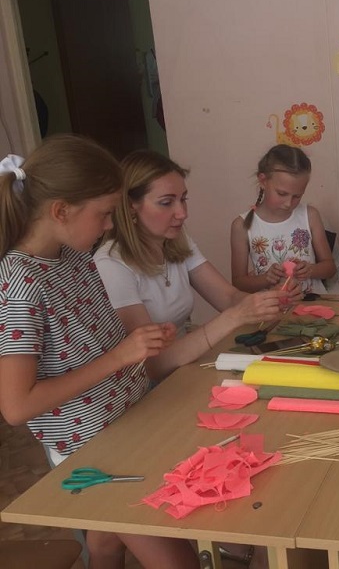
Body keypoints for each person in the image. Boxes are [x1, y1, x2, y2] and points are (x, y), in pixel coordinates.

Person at [0, 135, 199, 569]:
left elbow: (93, 340)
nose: (110, 226)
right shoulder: (20, 284)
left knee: (107, 543)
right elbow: (16, 407)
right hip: (89, 446)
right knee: (177, 562)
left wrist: (143, 341)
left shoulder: (74, 256)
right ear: (61, 211)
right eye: (104, 214)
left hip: (128, 419)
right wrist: (120, 356)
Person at [95, 150, 295, 379]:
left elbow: (228, 297)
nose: (182, 213)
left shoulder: (177, 241)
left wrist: (269, 301)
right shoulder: (111, 264)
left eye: (183, 199)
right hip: (149, 386)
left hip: (183, 369)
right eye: (166, 203)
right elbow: (152, 365)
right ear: (131, 205)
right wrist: (235, 316)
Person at [230, 144, 336, 295]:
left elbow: (330, 268)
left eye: (297, 196)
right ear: (263, 181)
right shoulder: (241, 226)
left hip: (312, 304)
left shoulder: (310, 215)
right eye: (282, 194)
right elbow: (239, 282)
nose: (288, 203)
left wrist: (311, 270)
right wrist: (265, 278)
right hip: (271, 306)